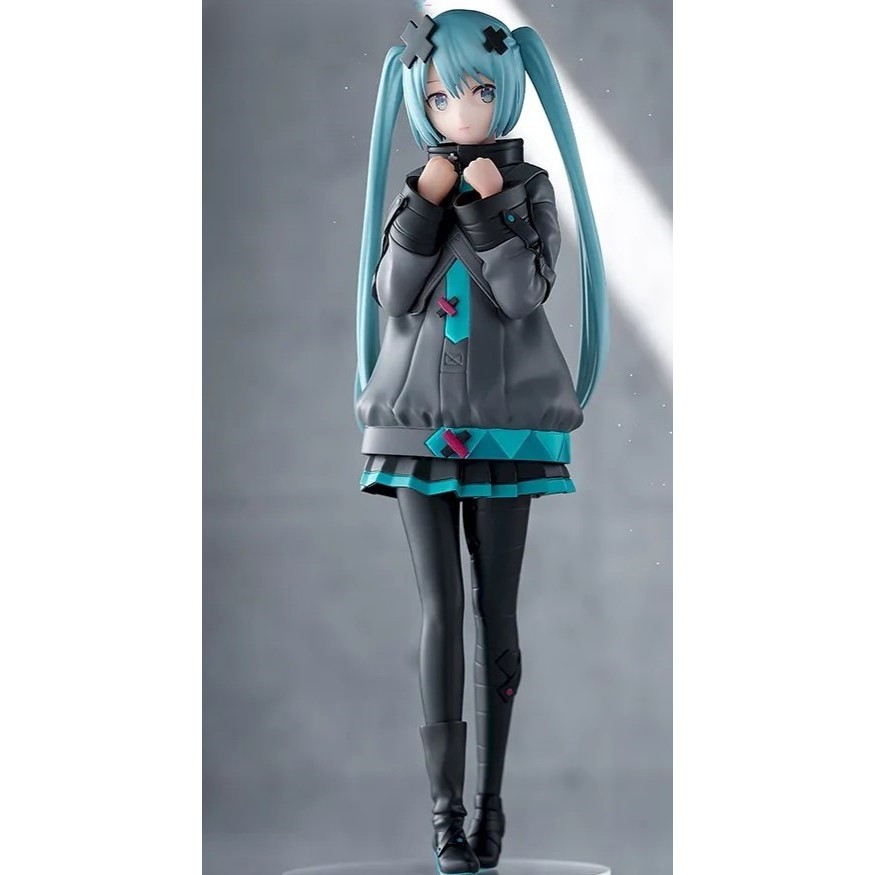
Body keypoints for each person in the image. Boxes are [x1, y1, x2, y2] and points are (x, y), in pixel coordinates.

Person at [353, 9, 608, 873]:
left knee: (495, 606)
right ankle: (444, 817)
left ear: (505, 91)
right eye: (438, 94)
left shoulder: (529, 187)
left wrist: (492, 207)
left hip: (505, 425)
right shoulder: (413, 190)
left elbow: (523, 293)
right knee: (440, 609)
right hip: (417, 424)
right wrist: (425, 207)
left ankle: (490, 809)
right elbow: (391, 295)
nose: (458, 109)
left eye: (474, 91)